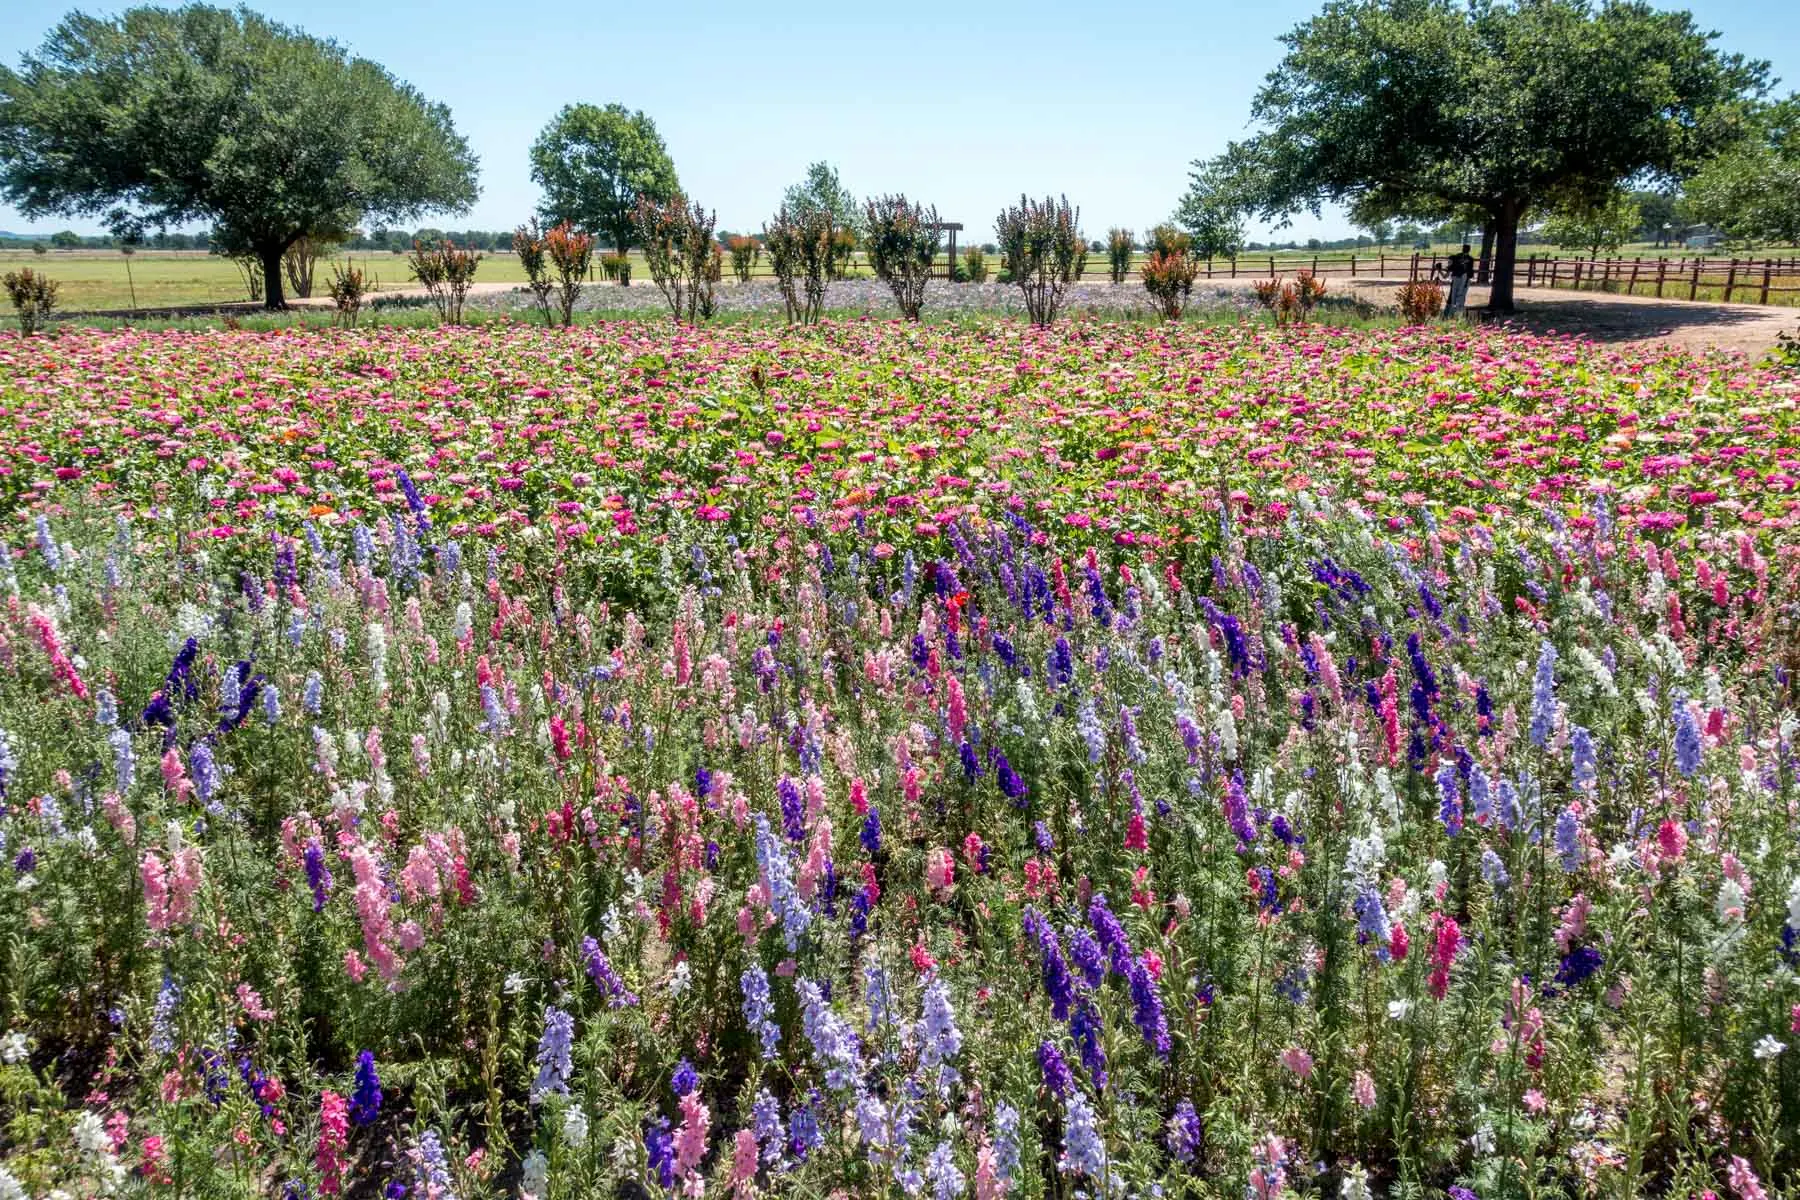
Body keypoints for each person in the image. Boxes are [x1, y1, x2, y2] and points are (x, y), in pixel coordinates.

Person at [1445, 243, 1476, 316]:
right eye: (1465, 248)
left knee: (1461, 296)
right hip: (1457, 278)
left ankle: (1458, 313)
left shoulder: (1470, 259)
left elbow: (1470, 270)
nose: (1466, 249)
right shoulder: (1457, 257)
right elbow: (1452, 266)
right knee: (1454, 295)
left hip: (1464, 279)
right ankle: (1452, 312)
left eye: (1467, 248)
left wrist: (1467, 279)